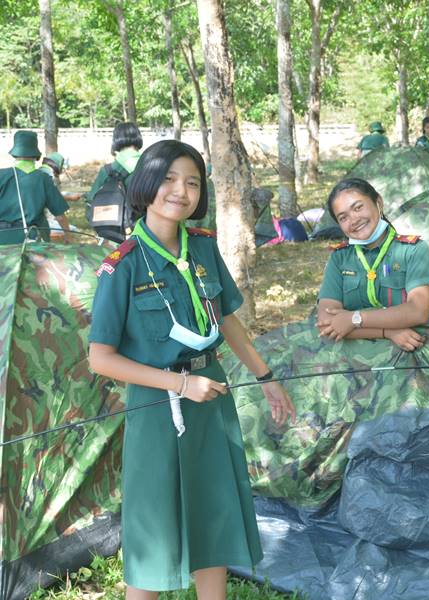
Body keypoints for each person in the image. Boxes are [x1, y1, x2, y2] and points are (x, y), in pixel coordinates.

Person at [88, 139, 295, 598]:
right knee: (153, 523)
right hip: (156, 404)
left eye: (193, 182)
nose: (181, 191)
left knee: (213, 513)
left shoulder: (202, 247)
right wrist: (179, 384)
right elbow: (100, 358)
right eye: (168, 179)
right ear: (146, 183)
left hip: (211, 394)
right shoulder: (122, 265)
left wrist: (266, 378)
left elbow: (227, 319)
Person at [317, 178, 429, 352]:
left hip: (407, 355)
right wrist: (387, 332)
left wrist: (353, 318)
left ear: (378, 203)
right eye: (343, 217)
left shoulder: (413, 251)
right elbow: (327, 324)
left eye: (358, 208)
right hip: (353, 358)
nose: (353, 220)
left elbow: (418, 311)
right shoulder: (339, 258)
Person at [0, 130, 71, 245]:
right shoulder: (43, 179)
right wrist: (68, 236)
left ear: (15, 153)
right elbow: (59, 216)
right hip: (31, 239)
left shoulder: (2, 175)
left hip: (2, 239)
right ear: (36, 155)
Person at [86, 122, 143, 203]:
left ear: (115, 140)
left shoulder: (107, 171)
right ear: (139, 138)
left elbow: (91, 200)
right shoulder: (151, 166)